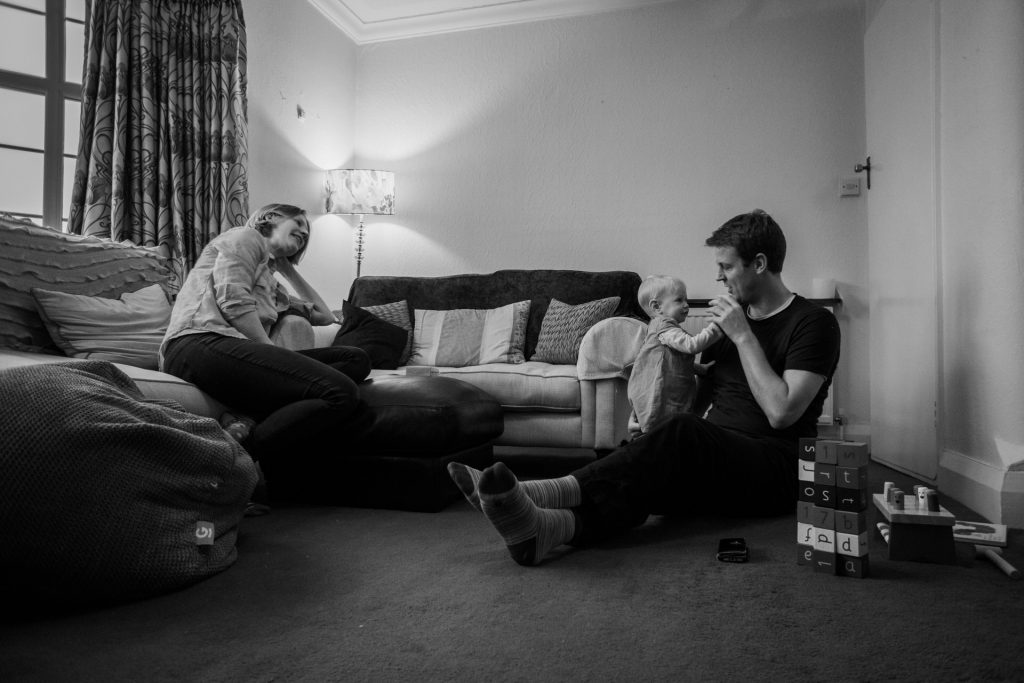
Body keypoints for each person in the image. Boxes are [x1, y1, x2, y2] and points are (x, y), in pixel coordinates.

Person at [448, 209, 840, 566]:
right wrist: (655, 424)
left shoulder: (812, 323)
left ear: (759, 263)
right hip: (716, 457)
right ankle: (544, 531)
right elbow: (699, 388)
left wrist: (743, 337)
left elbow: (782, 411)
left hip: (775, 470)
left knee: (678, 439)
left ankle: (541, 493)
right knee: (638, 467)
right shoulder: (733, 320)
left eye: (726, 267)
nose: (719, 277)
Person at [160, 203, 372, 481]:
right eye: (299, 226)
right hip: (198, 343)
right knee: (340, 393)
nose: (304, 235)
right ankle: (234, 462)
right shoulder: (245, 238)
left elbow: (323, 316)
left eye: (307, 236)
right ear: (269, 217)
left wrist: (288, 269)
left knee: (356, 359)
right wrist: (269, 352)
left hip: (230, 354)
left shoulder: (274, 287)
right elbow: (234, 302)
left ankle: (245, 425)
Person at [627, 274, 723, 436]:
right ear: (657, 307)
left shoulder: (664, 329)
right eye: (679, 300)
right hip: (660, 395)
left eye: (686, 300)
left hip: (672, 393)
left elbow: (673, 361)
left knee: (672, 428)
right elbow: (691, 345)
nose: (686, 305)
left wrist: (701, 369)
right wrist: (717, 327)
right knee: (662, 431)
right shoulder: (664, 327)